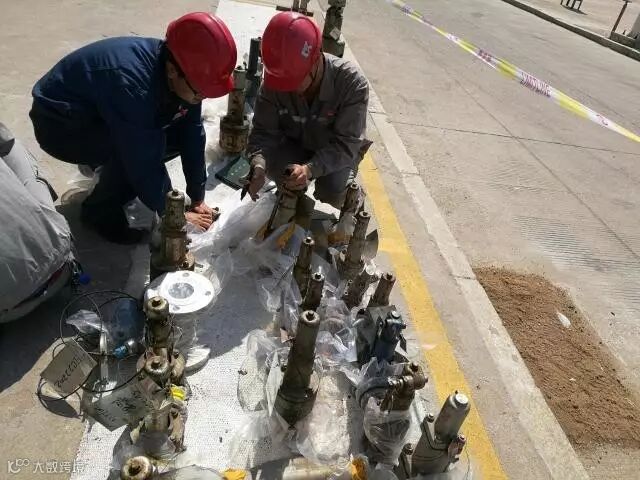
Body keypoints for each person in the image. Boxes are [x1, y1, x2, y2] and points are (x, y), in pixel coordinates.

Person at [29, 13, 237, 244]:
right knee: (134, 154)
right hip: (59, 125)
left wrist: (197, 196)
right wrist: (174, 214)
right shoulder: (135, 86)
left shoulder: (183, 70)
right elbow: (143, 159)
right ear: (172, 70)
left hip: (96, 113)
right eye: (200, 92)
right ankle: (99, 214)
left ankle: (107, 170)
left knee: (170, 136)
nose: (202, 98)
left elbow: (192, 133)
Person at [245, 11, 371, 208]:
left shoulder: (352, 83)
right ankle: (292, 205)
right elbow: (263, 132)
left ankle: (354, 202)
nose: (288, 89)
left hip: (335, 150)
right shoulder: (275, 79)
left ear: (316, 60)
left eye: (293, 81)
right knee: (280, 172)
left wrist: (310, 169)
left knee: (332, 189)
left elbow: (347, 144)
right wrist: (258, 164)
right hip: (296, 143)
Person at [0, 122, 74, 323]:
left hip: (7, 310)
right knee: (12, 147)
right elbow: (5, 141)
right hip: (58, 266)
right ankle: (44, 229)